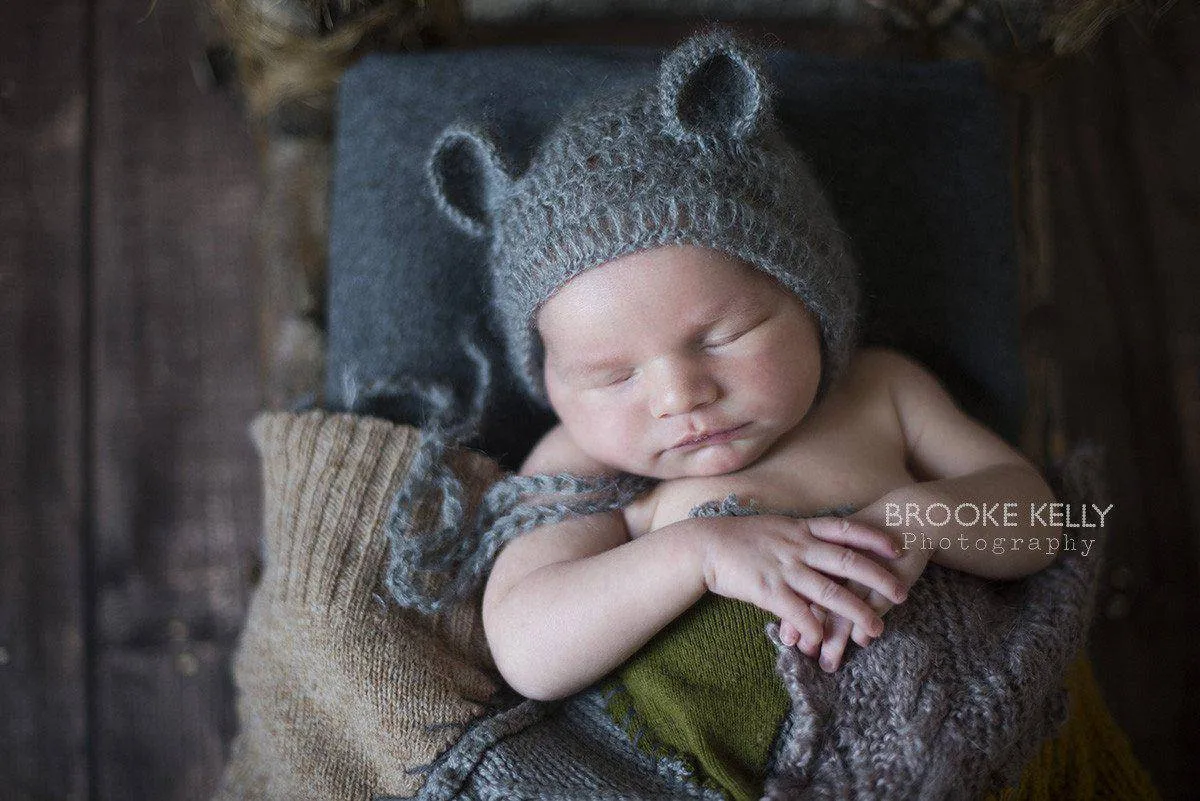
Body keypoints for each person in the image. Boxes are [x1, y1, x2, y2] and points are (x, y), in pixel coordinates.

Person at [428, 28, 1062, 709]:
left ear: (812, 301)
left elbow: (1041, 523)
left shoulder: (881, 389)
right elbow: (528, 647)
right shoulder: (583, 463)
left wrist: (925, 515)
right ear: (552, 383)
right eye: (612, 376)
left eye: (725, 336)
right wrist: (694, 555)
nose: (681, 395)